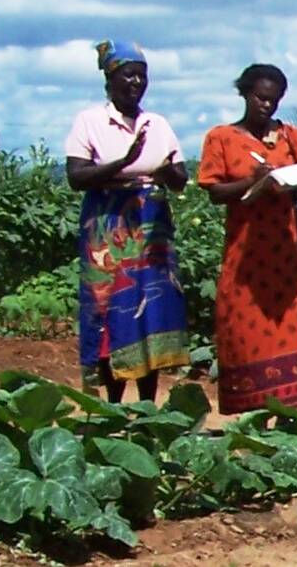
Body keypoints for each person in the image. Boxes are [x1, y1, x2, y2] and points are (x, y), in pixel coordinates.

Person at [64, 41, 191, 403]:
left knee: (150, 312)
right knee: (110, 310)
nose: (136, 82)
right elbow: (77, 176)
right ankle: (113, 405)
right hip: (107, 228)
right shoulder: (90, 121)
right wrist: (124, 162)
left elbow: (180, 177)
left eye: (142, 76)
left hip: (152, 230)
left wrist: (165, 170)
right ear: (109, 79)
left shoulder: (158, 124)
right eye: (128, 75)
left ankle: (148, 404)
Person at [197, 64, 297, 414]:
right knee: (240, 324)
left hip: (283, 251)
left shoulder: (290, 136)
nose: (267, 106)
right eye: (260, 98)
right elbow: (215, 191)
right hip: (245, 251)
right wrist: (253, 181)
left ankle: (282, 408)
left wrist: (284, 180)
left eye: (274, 100)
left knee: (284, 324)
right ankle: (249, 409)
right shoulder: (221, 138)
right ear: (245, 94)